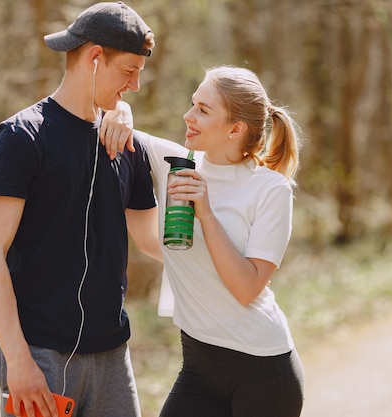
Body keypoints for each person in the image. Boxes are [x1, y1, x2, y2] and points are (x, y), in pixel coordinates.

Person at [0, 3, 159, 417]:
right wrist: (18, 361)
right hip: (39, 356)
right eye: (128, 72)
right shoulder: (22, 137)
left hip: (113, 356)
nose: (136, 86)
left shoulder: (127, 143)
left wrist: (202, 208)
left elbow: (153, 241)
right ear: (95, 57)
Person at [102, 65, 305, 416]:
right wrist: (123, 110)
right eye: (193, 104)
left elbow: (247, 287)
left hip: (263, 371)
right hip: (198, 366)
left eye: (203, 110)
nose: (188, 115)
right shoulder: (174, 164)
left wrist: (206, 213)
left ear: (236, 129)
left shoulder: (271, 189)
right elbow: (118, 122)